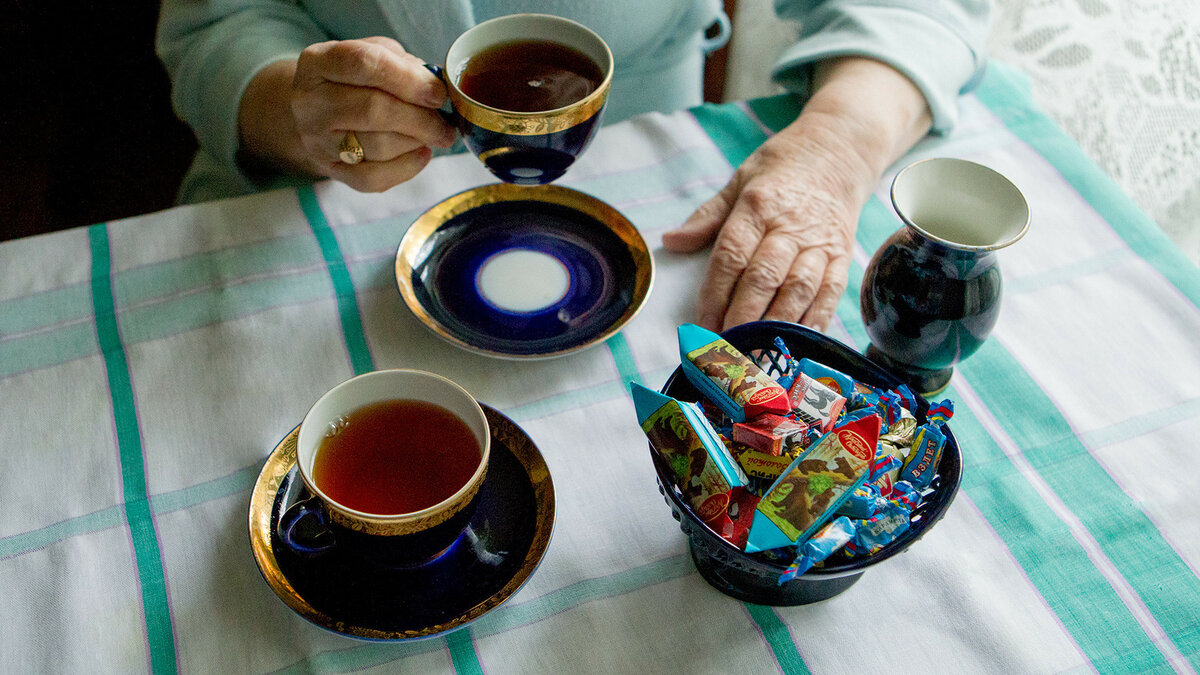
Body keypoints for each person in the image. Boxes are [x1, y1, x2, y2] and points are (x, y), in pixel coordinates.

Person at [157, 0, 990, 333]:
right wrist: (294, 112)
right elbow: (213, 25)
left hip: (653, 187)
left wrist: (835, 146)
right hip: (299, 206)